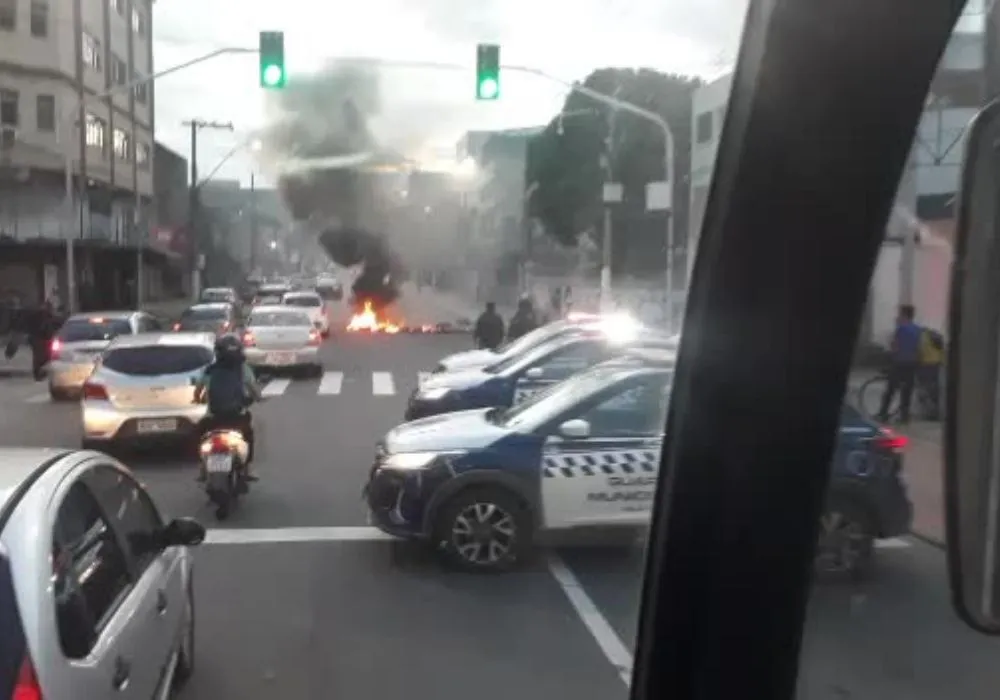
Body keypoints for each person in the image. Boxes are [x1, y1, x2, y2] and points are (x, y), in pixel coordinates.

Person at [193, 334, 263, 481]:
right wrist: (257, 398)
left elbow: (198, 391)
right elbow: (253, 389)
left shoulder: (210, 370)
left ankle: (201, 467)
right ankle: (247, 468)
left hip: (214, 418)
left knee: (199, 435)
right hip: (238, 417)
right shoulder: (244, 369)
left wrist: (197, 399)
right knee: (248, 436)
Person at [877, 304, 922, 424]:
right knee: (906, 391)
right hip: (912, 363)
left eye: (900, 314)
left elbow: (895, 346)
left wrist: (889, 353)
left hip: (899, 362)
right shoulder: (917, 329)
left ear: (904, 315)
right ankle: (904, 417)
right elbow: (918, 347)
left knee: (890, 389)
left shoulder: (901, 328)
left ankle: (883, 413)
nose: (898, 316)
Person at [918, 325, 945, 421]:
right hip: (937, 364)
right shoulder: (934, 336)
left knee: (924, 388)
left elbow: (919, 351)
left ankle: (928, 413)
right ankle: (935, 413)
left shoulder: (922, 337)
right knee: (934, 390)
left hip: (926, 365)